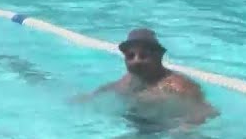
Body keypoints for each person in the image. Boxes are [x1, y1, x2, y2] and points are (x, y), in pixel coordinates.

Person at [81, 28, 218, 129]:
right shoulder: (129, 80)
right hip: (139, 125)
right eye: (131, 56)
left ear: (159, 56)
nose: (136, 61)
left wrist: (185, 127)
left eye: (143, 55)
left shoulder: (176, 86)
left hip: (167, 130)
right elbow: (109, 88)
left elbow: (209, 111)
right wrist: (89, 97)